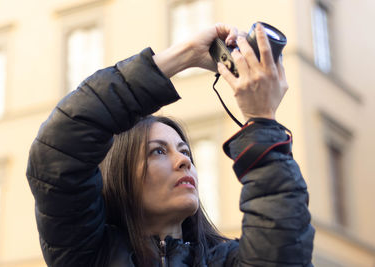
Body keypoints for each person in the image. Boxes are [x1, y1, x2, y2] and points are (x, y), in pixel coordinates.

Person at [26, 23, 314, 266]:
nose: (184, 161)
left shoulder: (226, 261)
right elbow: (59, 148)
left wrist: (262, 120)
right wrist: (184, 56)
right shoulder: (89, 253)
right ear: (120, 173)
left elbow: (283, 249)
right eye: (159, 151)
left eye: (185, 151)